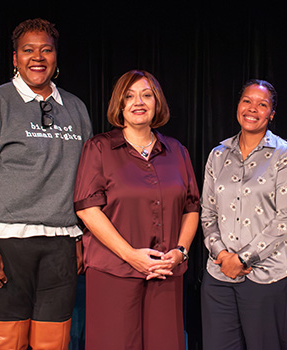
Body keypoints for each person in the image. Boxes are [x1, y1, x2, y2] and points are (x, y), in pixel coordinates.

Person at [0, 18, 92, 350]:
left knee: (54, 342)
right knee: (7, 342)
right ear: (15, 58)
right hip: (6, 245)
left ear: (56, 57)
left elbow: (84, 184)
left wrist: (77, 238)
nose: (38, 57)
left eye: (46, 49)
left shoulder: (75, 109)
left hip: (60, 247)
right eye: (28, 50)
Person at [73, 69, 200, 350]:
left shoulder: (177, 151)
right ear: (119, 104)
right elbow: (87, 209)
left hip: (165, 272)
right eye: (129, 96)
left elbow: (191, 208)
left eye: (146, 95)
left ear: (157, 104)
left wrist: (180, 253)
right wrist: (131, 256)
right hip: (113, 272)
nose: (138, 102)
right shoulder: (99, 149)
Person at [200, 79, 287, 350]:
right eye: (247, 100)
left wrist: (243, 258)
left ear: (272, 113)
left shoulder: (285, 154)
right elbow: (207, 212)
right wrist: (223, 256)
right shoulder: (218, 154)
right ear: (238, 105)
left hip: (266, 277)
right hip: (219, 276)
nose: (252, 108)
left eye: (262, 104)